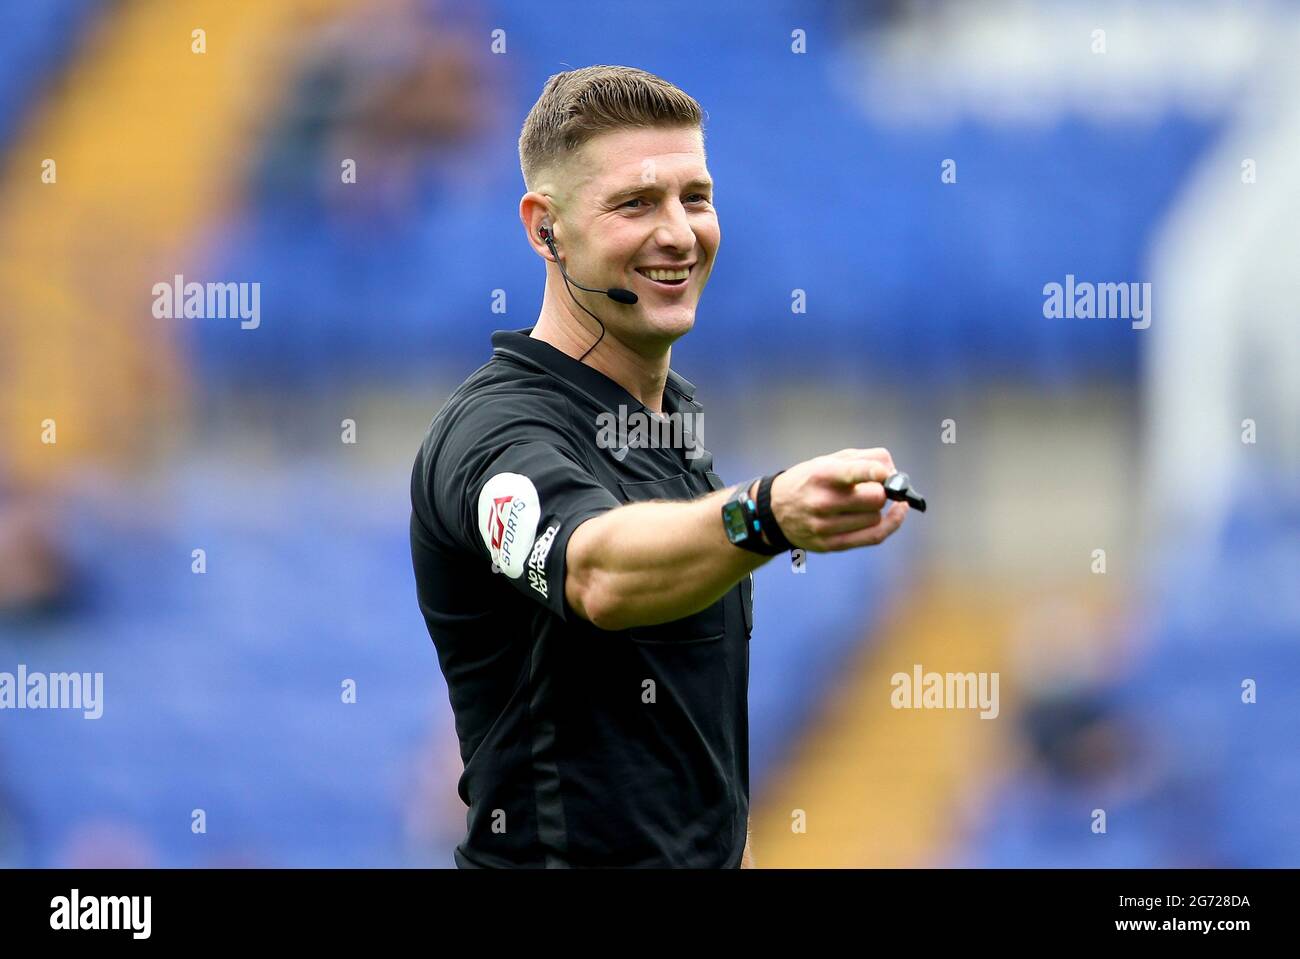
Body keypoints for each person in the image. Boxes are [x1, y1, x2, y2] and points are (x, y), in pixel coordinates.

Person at [409, 65, 909, 868]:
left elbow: (692, 778)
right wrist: (767, 514)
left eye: (696, 198)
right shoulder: (493, 431)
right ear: (546, 229)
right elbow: (598, 572)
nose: (679, 232)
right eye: (636, 203)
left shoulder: (674, 431)